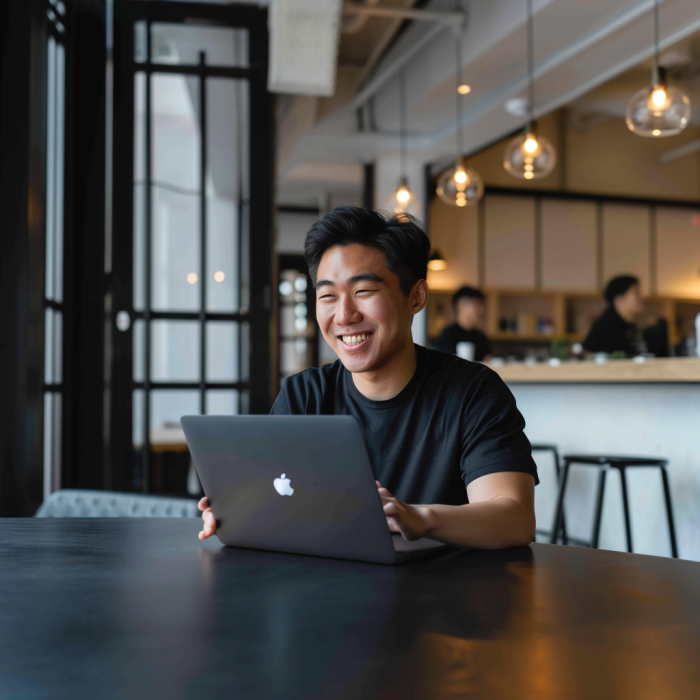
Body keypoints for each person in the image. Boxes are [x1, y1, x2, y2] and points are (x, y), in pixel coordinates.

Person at [199, 207, 538, 549]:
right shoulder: (304, 394)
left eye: (363, 291)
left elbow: (513, 519)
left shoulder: (472, 392)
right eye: (328, 296)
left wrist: (418, 518)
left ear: (416, 296)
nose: (344, 315)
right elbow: (277, 500)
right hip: (330, 588)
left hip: (443, 592)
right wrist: (240, 511)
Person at [583, 275, 646, 356]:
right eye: (637, 293)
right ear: (619, 299)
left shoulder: (630, 325)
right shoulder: (605, 328)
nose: (642, 297)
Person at [436, 286, 492, 361]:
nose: (481, 310)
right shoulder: (447, 335)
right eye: (477, 304)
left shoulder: (481, 337)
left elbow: (488, 362)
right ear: (461, 306)